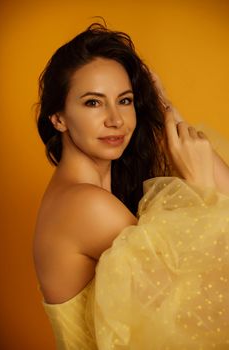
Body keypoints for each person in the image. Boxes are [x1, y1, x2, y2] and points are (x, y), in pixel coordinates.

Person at [33, 23, 229, 349]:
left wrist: (169, 115)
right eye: (93, 103)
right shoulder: (86, 205)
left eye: (124, 101)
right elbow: (202, 313)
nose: (116, 119)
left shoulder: (90, 194)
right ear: (59, 118)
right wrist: (203, 188)